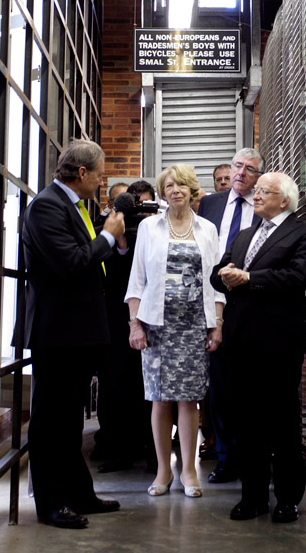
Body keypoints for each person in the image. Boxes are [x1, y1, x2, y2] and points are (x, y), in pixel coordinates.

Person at [21, 139, 127, 530]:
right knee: (52, 423)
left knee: (70, 422)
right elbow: (71, 263)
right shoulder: (47, 207)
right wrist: (107, 236)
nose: (101, 182)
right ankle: (51, 504)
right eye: (99, 175)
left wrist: (108, 238)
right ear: (82, 173)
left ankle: (80, 494)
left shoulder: (74, 206)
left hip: (77, 333)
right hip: (57, 333)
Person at [211, 171, 306, 524]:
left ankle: (287, 498)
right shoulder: (245, 235)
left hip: (278, 344)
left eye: (263, 192)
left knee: (282, 422)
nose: (254, 196)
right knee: (247, 422)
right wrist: (225, 274)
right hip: (241, 342)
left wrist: (249, 278)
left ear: (284, 200)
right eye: (256, 191)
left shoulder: (305, 234)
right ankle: (253, 496)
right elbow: (218, 272)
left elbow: (295, 279)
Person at [125, 164, 225, 498]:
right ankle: (163, 470)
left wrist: (217, 325)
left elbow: (217, 285)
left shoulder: (208, 229)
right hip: (156, 326)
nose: (175, 190)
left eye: (182, 185)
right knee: (159, 398)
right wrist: (135, 323)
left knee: (189, 401)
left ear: (192, 190)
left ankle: (189, 470)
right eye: (169, 185)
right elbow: (137, 280)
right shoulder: (149, 228)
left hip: (195, 326)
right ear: (163, 192)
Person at [198, 148, 264, 482]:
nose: (240, 173)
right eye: (237, 166)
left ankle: (253, 457)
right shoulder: (209, 204)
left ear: (258, 177)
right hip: (214, 304)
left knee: (251, 388)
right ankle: (225, 458)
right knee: (219, 386)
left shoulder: (265, 206)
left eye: (249, 169)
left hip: (252, 305)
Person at [95, 180, 158, 473]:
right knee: (115, 384)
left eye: (144, 206)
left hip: (153, 317)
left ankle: (152, 450)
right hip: (116, 319)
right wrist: (121, 242)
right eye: (134, 206)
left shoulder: (161, 231)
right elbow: (111, 277)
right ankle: (117, 449)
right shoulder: (109, 230)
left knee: (150, 388)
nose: (138, 214)